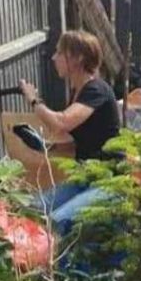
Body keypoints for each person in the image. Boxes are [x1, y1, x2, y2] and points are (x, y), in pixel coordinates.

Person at [19, 30, 120, 235]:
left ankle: (65, 267)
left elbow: (62, 123)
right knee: (33, 210)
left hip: (107, 181)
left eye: (59, 52)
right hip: (85, 178)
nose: (54, 57)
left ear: (77, 58)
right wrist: (49, 147)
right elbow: (84, 139)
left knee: (59, 222)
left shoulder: (96, 90)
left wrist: (33, 100)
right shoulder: (79, 91)